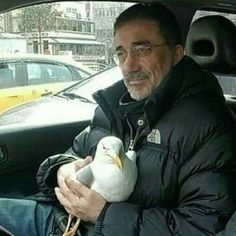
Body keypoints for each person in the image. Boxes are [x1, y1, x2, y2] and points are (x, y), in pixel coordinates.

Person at [0, 2, 236, 236]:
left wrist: (104, 215)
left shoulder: (210, 127)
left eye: (141, 49)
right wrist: (62, 170)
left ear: (176, 54)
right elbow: (75, 152)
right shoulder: (113, 106)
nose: (128, 65)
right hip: (61, 221)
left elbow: (203, 226)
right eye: (121, 52)